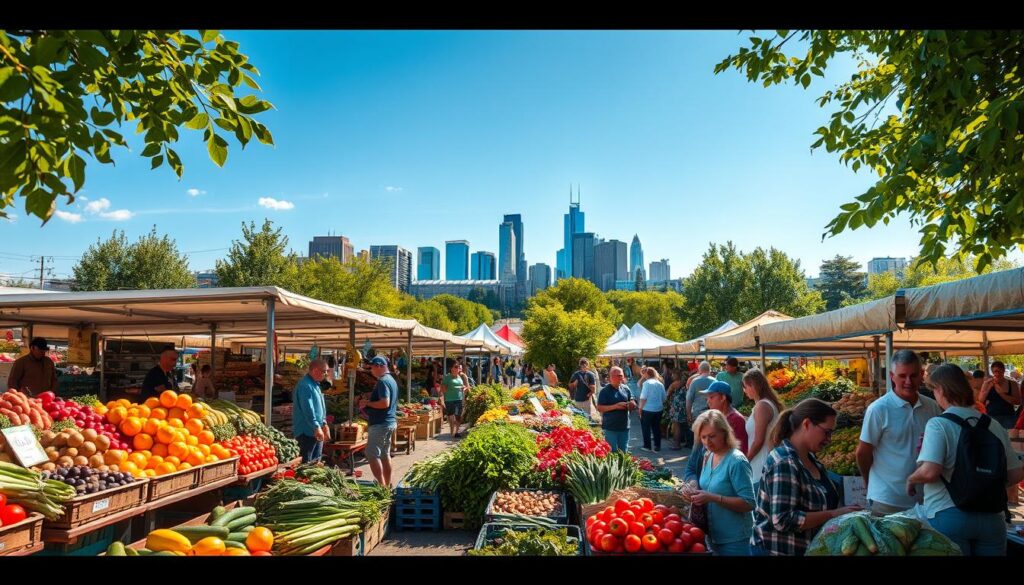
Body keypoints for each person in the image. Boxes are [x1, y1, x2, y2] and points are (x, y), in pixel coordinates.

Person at [905, 364, 1024, 555]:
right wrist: (986, 482)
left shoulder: (939, 424)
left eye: (933, 389)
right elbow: (1016, 472)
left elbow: (930, 471)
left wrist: (911, 479)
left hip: (949, 515)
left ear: (942, 390)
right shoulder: (993, 424)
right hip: (992, 517)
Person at [752, 398, 861, 556]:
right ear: (807, 424)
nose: (829, 439)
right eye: (826, 432)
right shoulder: (785, 462)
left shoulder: (810, 458)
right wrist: (833, 514)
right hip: (778, 550)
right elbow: (782, 520)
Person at [856, 349, 942, 515]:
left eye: (913, 375)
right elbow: (863, 453)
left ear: (922, 374)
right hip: (887, 500)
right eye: (902, 376)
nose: (908, 381)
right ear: (891, 376)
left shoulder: (932, 407)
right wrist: (869, 482)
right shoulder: (879, 409)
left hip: (926, 500)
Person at [689, 410, 756, 556]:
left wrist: (713, 497)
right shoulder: (708, 455)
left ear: (724, 433)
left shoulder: (737, 461)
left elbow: (749, 503)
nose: (707, 442)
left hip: (735, 539)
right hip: (712, 536)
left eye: (712, 436)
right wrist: (693, 490)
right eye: (703, 437)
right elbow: (707, 488)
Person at [360, 356, 399, 486]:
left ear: (379, 366)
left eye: (372, 367)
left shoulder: (382, 381)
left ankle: (382, 486)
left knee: (372, 454)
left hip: (381, 423)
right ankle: (387, 486)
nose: (371, 370)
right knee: (384, 454)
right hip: (389, 422)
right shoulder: (391, 380)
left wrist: (368, 403)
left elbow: (384, 403)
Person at [743, 369, 783, 484]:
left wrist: (746, 460)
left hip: (761, 463)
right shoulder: (763, 404)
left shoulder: (762, 406)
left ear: (753, 386)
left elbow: (759, 440)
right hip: (761, 462)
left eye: (745, 386)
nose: (744, 390)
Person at [292, 358, 329, 463]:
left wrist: (324, 423)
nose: (326, 374)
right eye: (324, 371)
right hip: (307, 432)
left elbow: (320, 406)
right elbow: (308, 409)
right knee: (306, 464)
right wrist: (316, 426)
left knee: (316, 463)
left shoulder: (315, 384)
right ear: (315, 370)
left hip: (315, 430)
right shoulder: (305, 385)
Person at [701, 380, 749, 453]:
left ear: (723, 398)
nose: (708, 401)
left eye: (711, 397)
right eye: (707, 398)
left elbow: (740, 451)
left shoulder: (736, 419)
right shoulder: (717, 416)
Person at [596, 366, 637, 452]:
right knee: (612, 452)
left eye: (621, 375)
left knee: (623, 452)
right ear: (611, 376)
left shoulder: (626, 388)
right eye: (618, 375)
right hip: (610, 427)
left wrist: (632, 404)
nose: (621, 378)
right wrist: (616, 406)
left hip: (625, 427)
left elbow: (632, 401)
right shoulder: (605, 391)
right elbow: (599, 408)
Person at [979, 360, 1021, 429]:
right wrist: (985, 389)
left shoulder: (1012, 384)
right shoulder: (989, 383)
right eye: (995, 372)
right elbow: (980, 400)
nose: (997, 374)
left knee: (1008, 438)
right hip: (992, 416)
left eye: (999, 372)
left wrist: (1001, 394)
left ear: (1004, 371)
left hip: (1008, 416)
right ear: (992, 372)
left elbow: (1018, 402)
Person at [639, 367, 667, 452]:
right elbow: (664, 398)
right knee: (656, 427)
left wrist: (640, 408)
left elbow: (643, 398)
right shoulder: (660, 384)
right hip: (658, 409)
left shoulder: (646, 383)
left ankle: (647, 446)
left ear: (647, 374)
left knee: (646, 428)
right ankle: (657, 446)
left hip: (647, 409)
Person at [686, 361, 715, 432]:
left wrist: (689, 415)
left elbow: (689, 399)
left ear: (699, 370)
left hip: (697, 413)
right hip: (711, 414)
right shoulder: (715, 381)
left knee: (697, 436)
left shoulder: (695, 381)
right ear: (709, 370)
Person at [441, 361, 466, 439]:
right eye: (455, 367)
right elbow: (443, 388)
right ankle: (452, 431)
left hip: (459, 399)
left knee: (458, 416)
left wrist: (463, 388)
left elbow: (463, 386)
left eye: (458, 367)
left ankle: (457, 432)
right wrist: (449, 391)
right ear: (451, 368)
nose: (457, 368)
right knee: (451, 416)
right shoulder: (447, 377)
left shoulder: (459, 377)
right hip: (449, 399)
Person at [667, 368, 689, 450]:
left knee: (676, 426)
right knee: (685, 425)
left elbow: (667, 394)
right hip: (684, 405)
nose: (672, 376)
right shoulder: (685, 383)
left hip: (677, 407)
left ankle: (677, 444)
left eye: (673, 374)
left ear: (676, 375)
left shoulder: (675, 384)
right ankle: (686, 442)